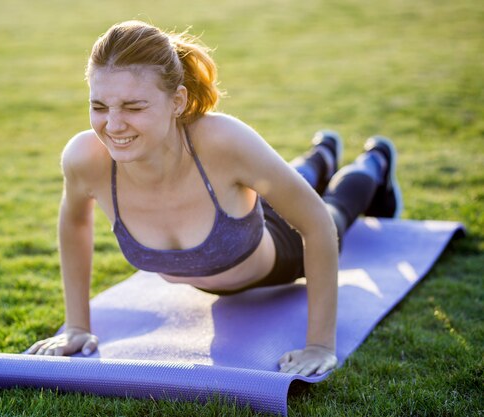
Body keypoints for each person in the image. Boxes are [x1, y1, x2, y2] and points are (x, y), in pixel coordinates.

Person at [28, 20, 402, 377]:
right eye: (99, 106)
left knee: (332, 209)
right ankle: (323, 152)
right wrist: (76, 324)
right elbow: (75, 221)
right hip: (237, 199)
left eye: (134, 107)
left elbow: (315, 223)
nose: (113, 124)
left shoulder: (222, 140)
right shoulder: (85, 159)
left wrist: (319, 345)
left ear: (177, 101)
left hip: (278, 252)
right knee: (290, 180)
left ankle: (375, 161)